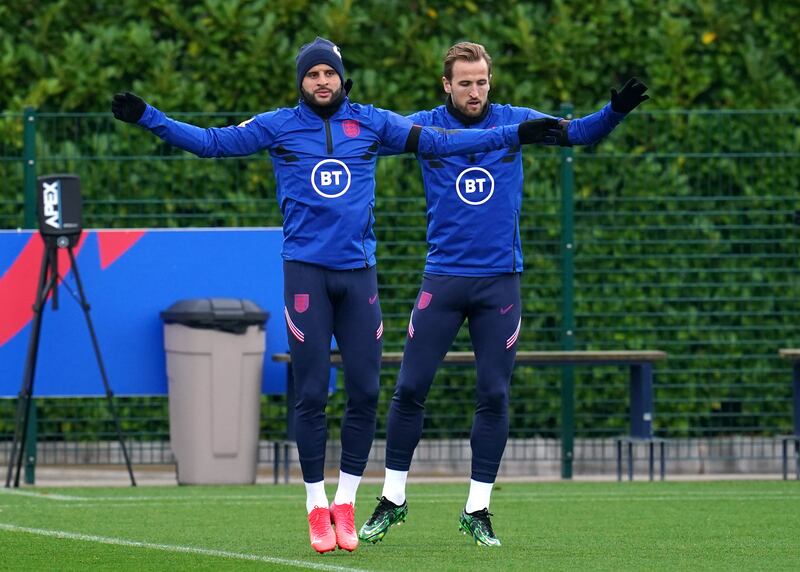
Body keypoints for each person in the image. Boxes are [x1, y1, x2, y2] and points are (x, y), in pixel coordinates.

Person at [111, 37, 563, 554]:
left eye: (329, 73)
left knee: (367, 393)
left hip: (359, 275)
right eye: (312, 74)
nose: (321, 81)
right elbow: (212, 143)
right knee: (310, 394)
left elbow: (439, 142)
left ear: (341, 78)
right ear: (301, 82)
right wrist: (150, 117)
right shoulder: (278, 126)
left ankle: (346, 503)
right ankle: (314, 505)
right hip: (305, 274)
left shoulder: (370, 122)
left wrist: (514, 133)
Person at [358, 41, 649, 547]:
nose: (475, 91)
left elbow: (576, 131)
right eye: (465, 82)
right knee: (409, 389)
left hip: (500, 284)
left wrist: (615, 112)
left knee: (494, 392)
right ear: (446, 85)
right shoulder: (425, 125)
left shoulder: (517, 121)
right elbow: (366, 138)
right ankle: (393, 498)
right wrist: (348, 109)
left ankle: (478, 509)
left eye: (482, 81)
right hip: (443, 279)